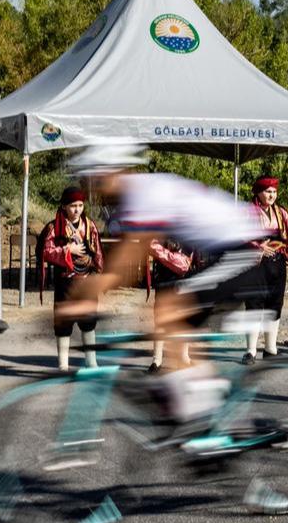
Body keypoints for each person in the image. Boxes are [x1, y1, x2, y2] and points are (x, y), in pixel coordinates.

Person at [58, 144, 271, 424]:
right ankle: (201, 410)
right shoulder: (137, 195)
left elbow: (128, 261)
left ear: (115, 173)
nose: (94, 190)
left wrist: (87, 293)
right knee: (176, 325)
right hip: (225, 250)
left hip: (237, 249)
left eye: (96, 181)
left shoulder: (142, 195)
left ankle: (207, 419)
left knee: (172, 311)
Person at [242, 176, 288, 364]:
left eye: (274, 192)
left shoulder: (280, 212)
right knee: (254, 304)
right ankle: (250, 351)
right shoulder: (248, 212)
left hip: (277, 264)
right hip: (255, 265)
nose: (272, 195)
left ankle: (270, 348)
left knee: (275, 303)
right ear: (258, 192)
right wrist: (258, 247)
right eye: (267, 192)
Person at [39, 186, 104, 370]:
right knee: (64, 322)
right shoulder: (54, 227)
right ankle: (63, 365)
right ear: (64, 206)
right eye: (73, 205)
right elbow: (46, 252)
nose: (77, 210)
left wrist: (99, 270)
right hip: (66, 281)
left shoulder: (89, 225)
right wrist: (69, 250)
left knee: (89, 321)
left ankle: (91, 362)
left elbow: (97, 250)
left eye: (80, 205)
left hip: (87, 280)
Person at [147, 238, 196, 373]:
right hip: (163, 282)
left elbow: (184, 264)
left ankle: (184, 358)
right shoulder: (159, 229)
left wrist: (163, 252)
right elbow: (150, 246)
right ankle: (156, 360)